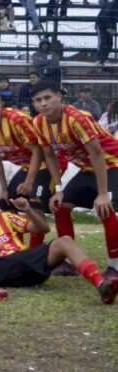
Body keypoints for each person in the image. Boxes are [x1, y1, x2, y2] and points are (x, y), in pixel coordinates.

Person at [0, 186, 118, 304]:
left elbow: (43, 229)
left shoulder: (5, 217)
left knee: (65, 241)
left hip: (25, 260)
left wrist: (28, 210)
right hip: (0, 269)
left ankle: (101, 285)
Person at [31, 80, 118, 280]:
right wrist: (59, 189)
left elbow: (97, 154)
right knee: (60, 206)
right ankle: (68, 261)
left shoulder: (77, 117)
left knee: (106, 208)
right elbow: (50, 155)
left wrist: (103, 194)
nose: (43, 103)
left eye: (47, 98)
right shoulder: (38, 123)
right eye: (38, 100)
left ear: (59, 97)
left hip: (112, 164)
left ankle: (115, 266)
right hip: (87, 170)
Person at [0, 87, 55, 250]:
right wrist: (4, 188)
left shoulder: (17, 119)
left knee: (35, 206)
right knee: (7, 204)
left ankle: (35, 254)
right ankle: (16, 250)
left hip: (49, 165)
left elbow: (38, 150)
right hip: (27, 166)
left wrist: (30, 182)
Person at [96, 0, 118, 68]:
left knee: (109, 43)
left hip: (108, 25)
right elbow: (105, 16)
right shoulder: (111, 5)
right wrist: (110, 27)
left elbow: (113, 18)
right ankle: (100, 60)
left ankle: (104, 58)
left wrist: (112, 28)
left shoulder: (114, 5)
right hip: (101, 25)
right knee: (103, 42)